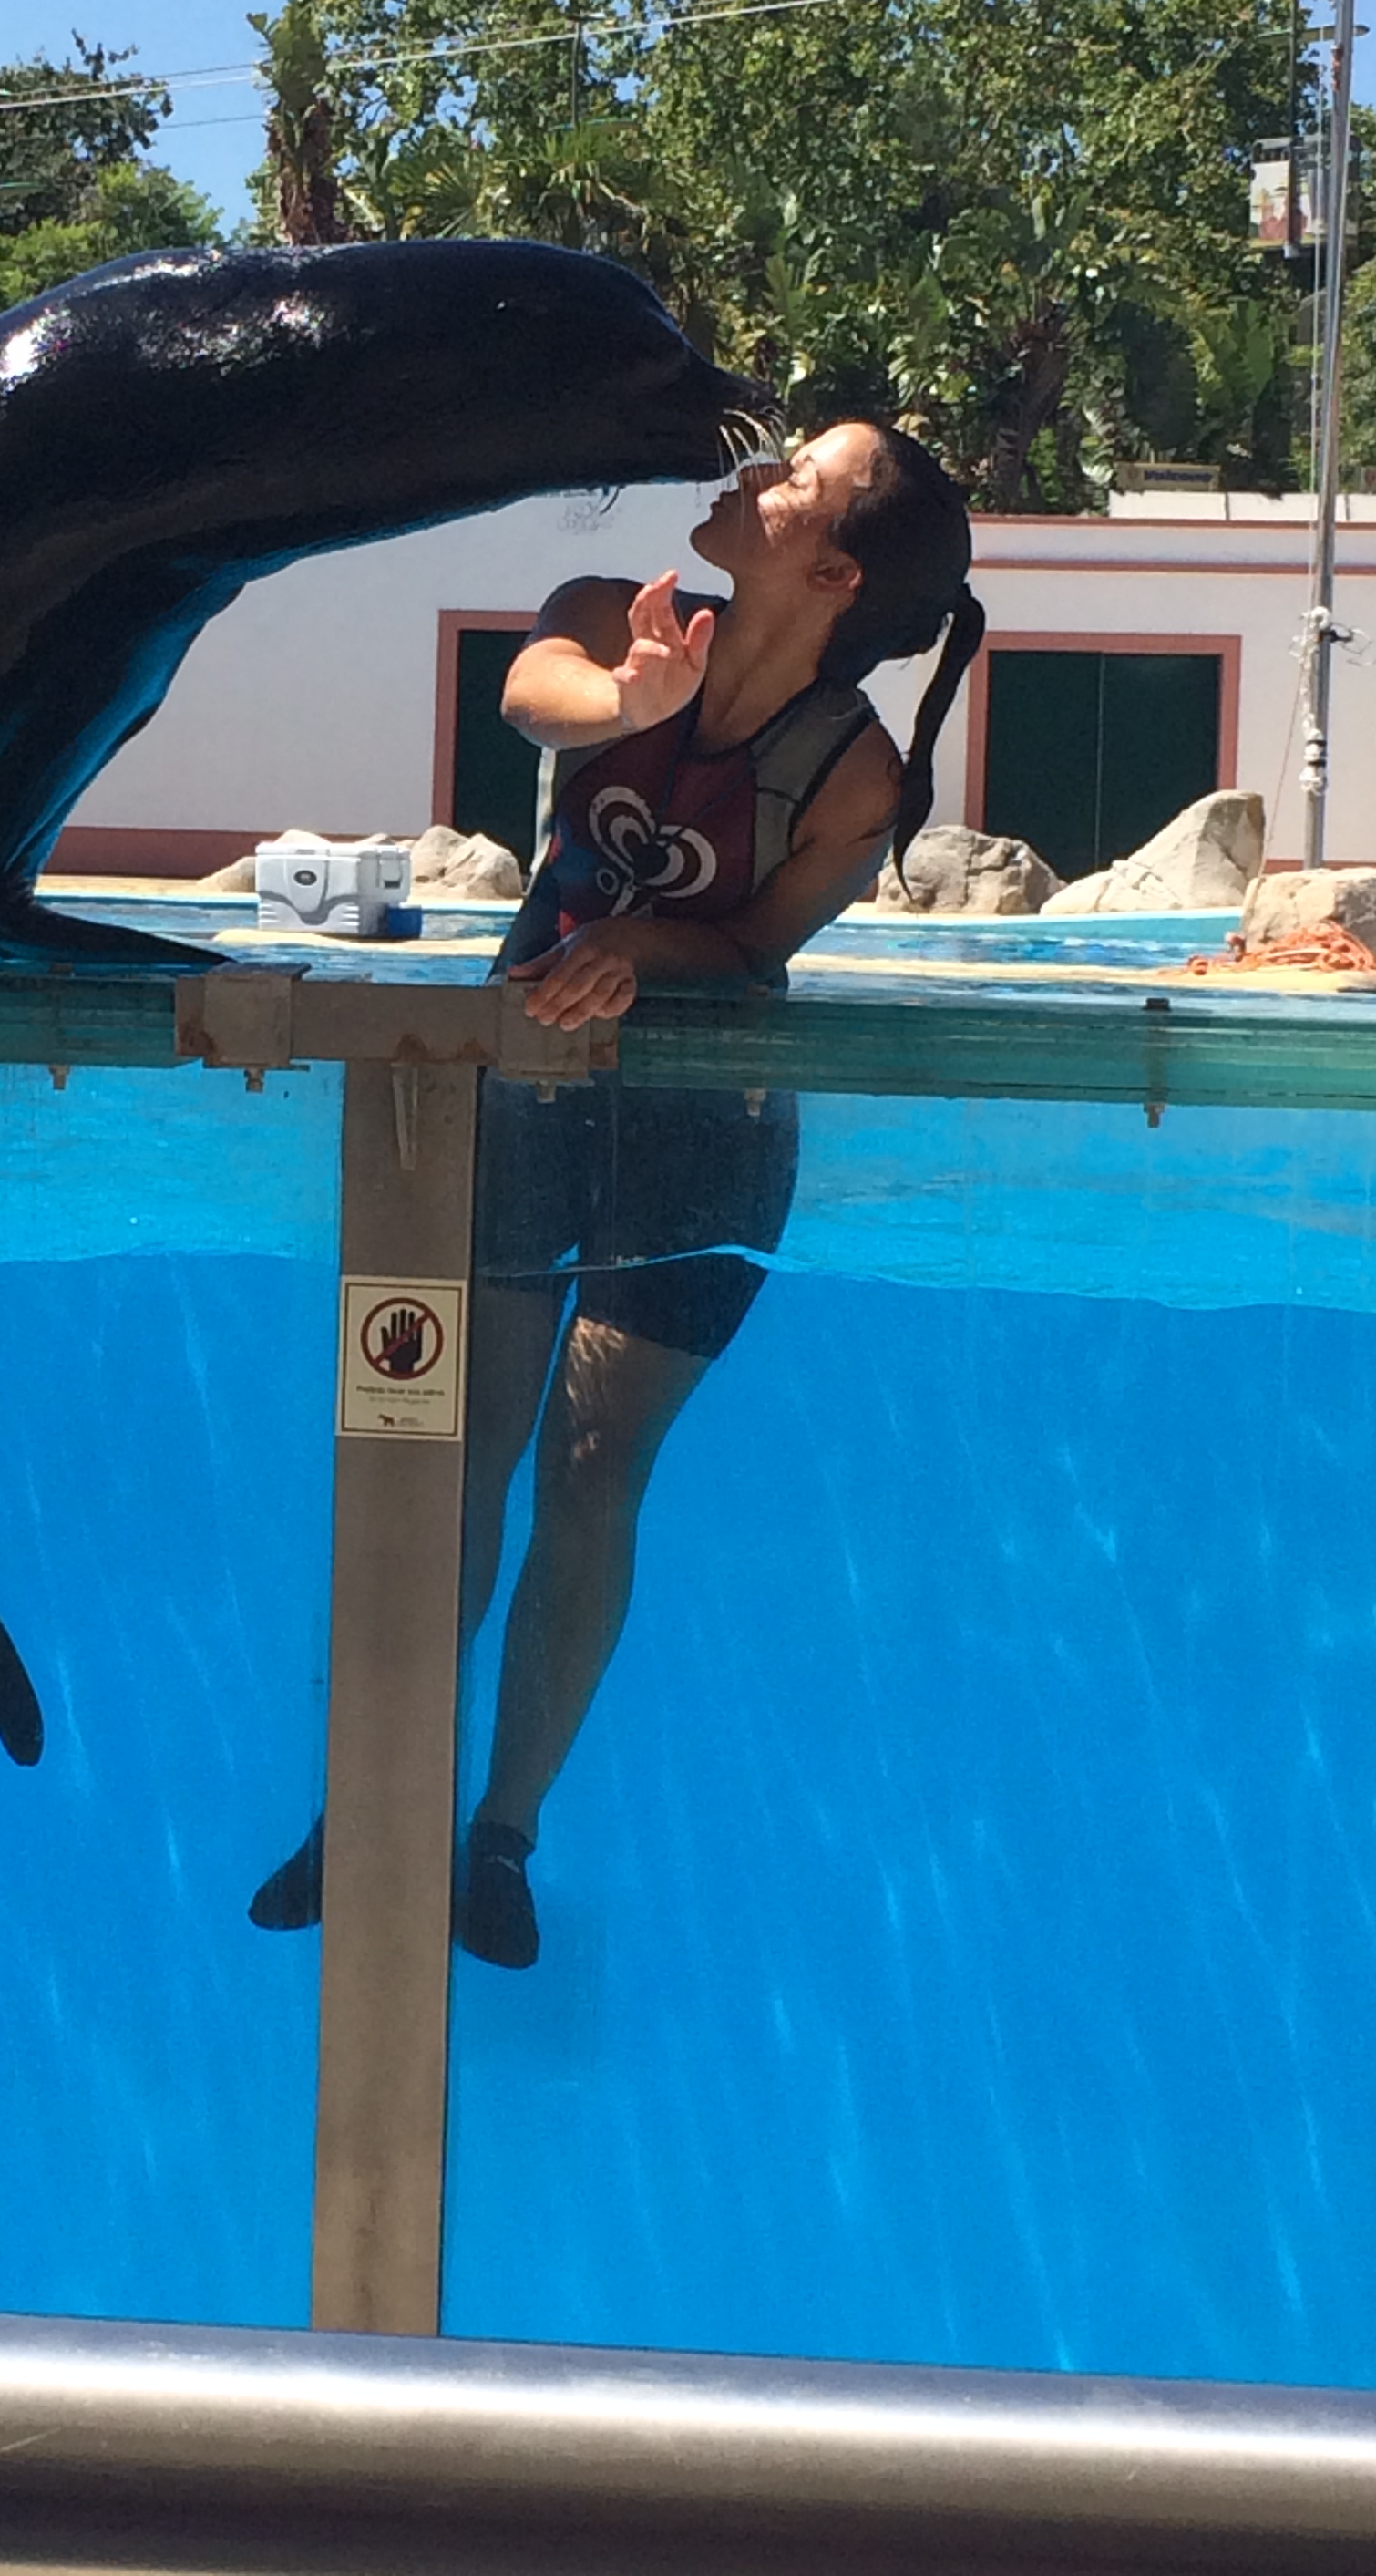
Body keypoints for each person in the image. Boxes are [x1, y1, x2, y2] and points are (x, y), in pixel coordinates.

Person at [251, 419, 984, 1966]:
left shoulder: (857, 774)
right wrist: (630, 703)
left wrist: (639, 948)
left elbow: (756, 948)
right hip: (521, 1094)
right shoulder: (614, 613)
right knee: (457, 1452)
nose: (753, 471)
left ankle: (500, 1837)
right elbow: (537, 695)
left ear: (836, 574)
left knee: (593, 1467)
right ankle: (367, 1800)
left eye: (795, 479)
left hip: (705, 1128)